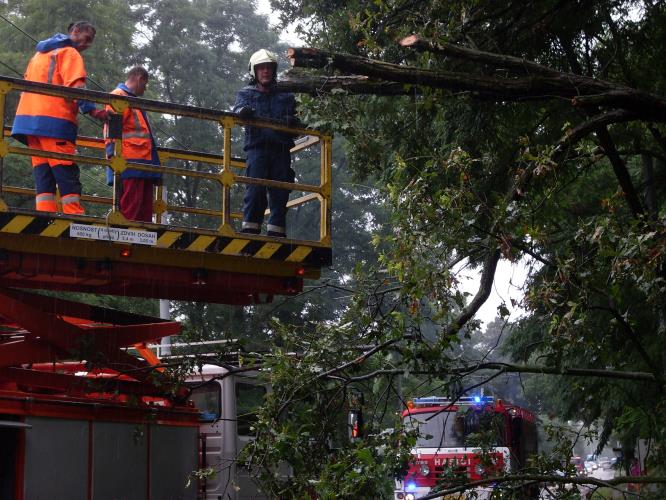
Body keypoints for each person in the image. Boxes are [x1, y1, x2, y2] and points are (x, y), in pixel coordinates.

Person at [11, 21, 109, 215]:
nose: (87, 45)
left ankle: (44, 215)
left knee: (43, 172)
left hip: (29, 123)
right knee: (65, 170)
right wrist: (93, 111)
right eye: (86, 39)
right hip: (54, 121)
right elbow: (76, 88)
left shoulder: (40, 54)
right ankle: (74, 216)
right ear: (74, 31)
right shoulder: (70, 53)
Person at [233, 49, 299, 238]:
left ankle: (276, 233)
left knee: (280, 193)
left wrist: (293, 121)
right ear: (254, 71)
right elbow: (237, 110)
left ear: (274, 70)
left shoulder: (286, 96)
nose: (266, 71)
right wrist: (242, 112)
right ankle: (250, 231)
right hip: (257, 150)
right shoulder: (246, 94)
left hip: (281, 151)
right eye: (261, 68)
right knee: (255, 191)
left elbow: (299, 121)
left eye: (269, 68)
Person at [104, 66, 161, 223]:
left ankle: (142, 244)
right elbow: (112, 130)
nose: (145, 88)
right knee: (131, 210)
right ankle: (126, 242)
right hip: (130, 162)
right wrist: (112, 156)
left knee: (144, 214)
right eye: (145, 83)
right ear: (139, 78)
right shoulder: (119, 96)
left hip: (143, 164)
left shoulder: (133, 101)